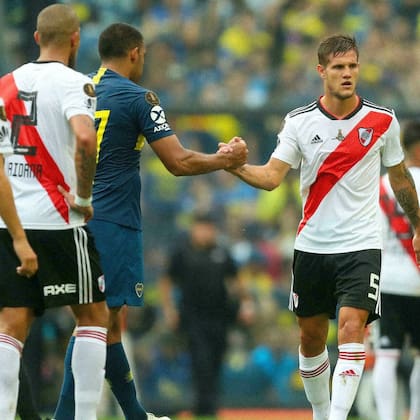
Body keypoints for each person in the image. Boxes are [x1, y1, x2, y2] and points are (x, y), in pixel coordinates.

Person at [53, 22, 247, 420]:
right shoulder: (139, 97)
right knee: (98, 322)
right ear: (136, 53)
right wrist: (223, 161)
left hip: (70, 216)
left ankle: (135, 415)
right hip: (112, 221)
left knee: (102, 323)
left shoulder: (76, 87)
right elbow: (178, 162)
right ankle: (70, 415)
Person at [224, 34, 420, 420]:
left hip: (361, 245)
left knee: (351, 328)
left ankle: (336, 418)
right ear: (321, 71)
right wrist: (233, 165)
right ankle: (320, 411)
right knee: (311, 337)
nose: (347, 74)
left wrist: (418, 224)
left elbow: (399, 178)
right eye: (338, 67)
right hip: (312, 245)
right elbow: (270, 176)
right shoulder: (299, 122)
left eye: (352, 66)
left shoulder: (383, 120)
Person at [0, 4, 109, 420]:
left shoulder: (5, 85)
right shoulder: (76, 83)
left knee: (10, 326)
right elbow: (85, 138)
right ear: (76, 39)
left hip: (10, 224)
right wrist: (82, 197)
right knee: (93, 314)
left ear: (36, 38)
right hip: (61, 219)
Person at [160, 213, 245, 417]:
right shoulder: (182, 253)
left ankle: (210, 404)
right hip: (193, 317)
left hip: (220, 316)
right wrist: (169, 310)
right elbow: (166, 282)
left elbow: (235, 281)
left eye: (209, 228)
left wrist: (245, 304)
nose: (206, 232)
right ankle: (203, 405)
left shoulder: (222, 253)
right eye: (202, 227)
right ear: (194, 229)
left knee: (216, 358)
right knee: (201, 359)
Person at [372, 119, 420, 420]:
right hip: (418, 282)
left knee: (386, 357)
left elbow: (373, 235)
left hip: (386, 280)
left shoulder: (383, 184)